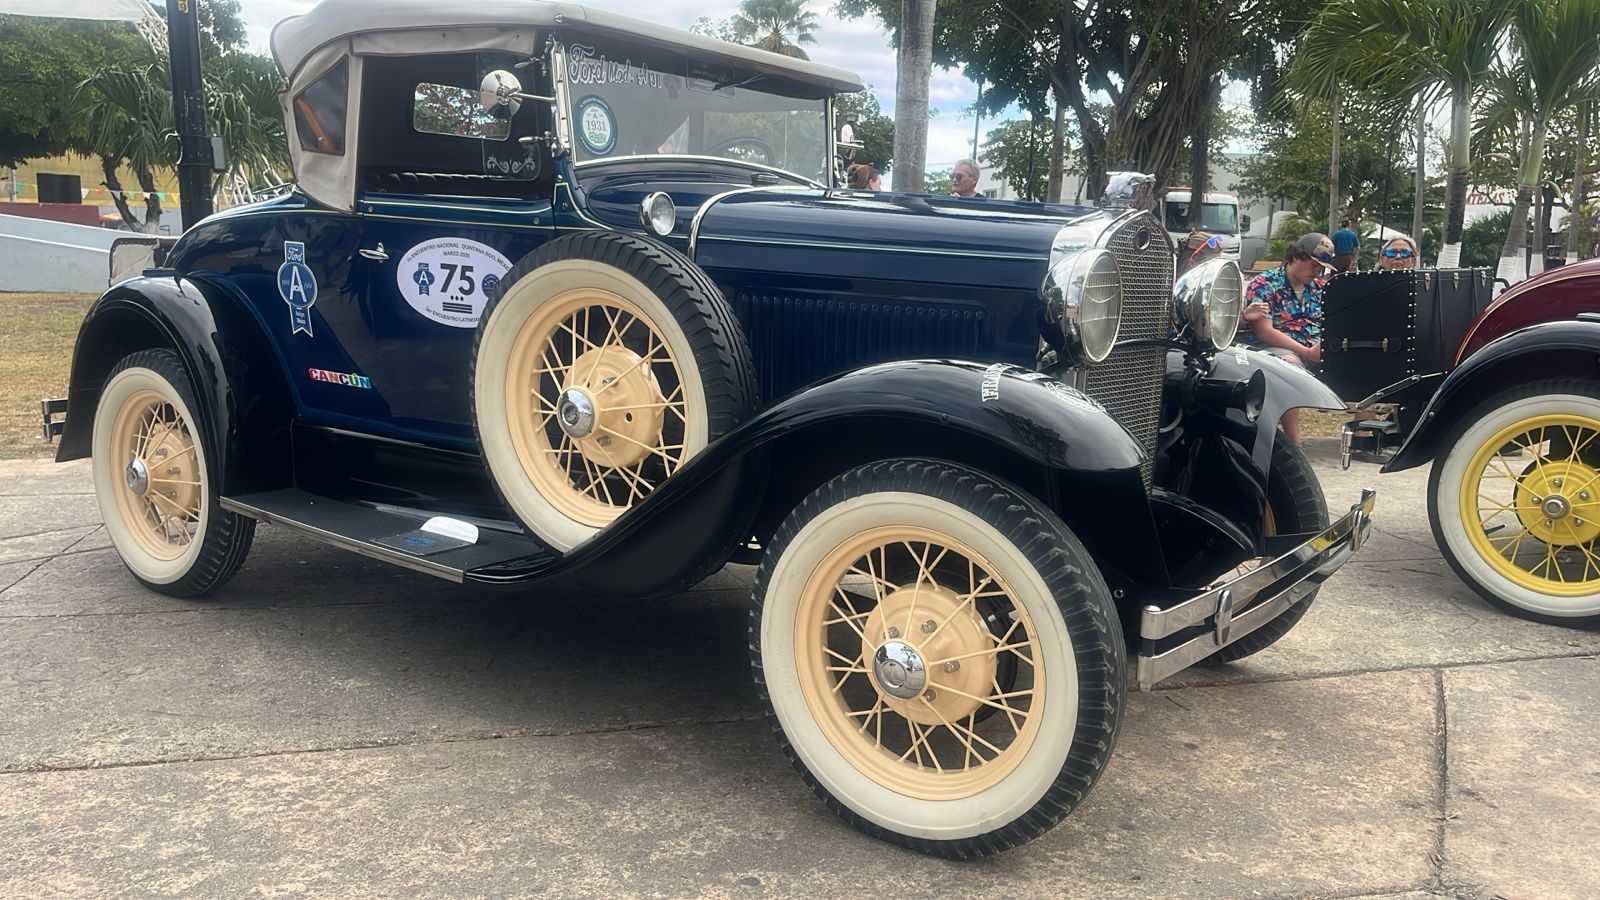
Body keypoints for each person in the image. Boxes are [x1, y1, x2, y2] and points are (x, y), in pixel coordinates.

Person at [1241, 232, 1335, 442]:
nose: (1318, 271)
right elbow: (1264, 331)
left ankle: (1364, 435)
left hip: (1316, 347)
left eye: (1321, 268)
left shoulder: (1321, 288)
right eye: (1313, 265)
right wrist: (1307, 352)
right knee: (1289, 366)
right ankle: (1293, 442)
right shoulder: (1265, 283)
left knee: (1366, 357)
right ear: (1295, 257)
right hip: (1275, 349)